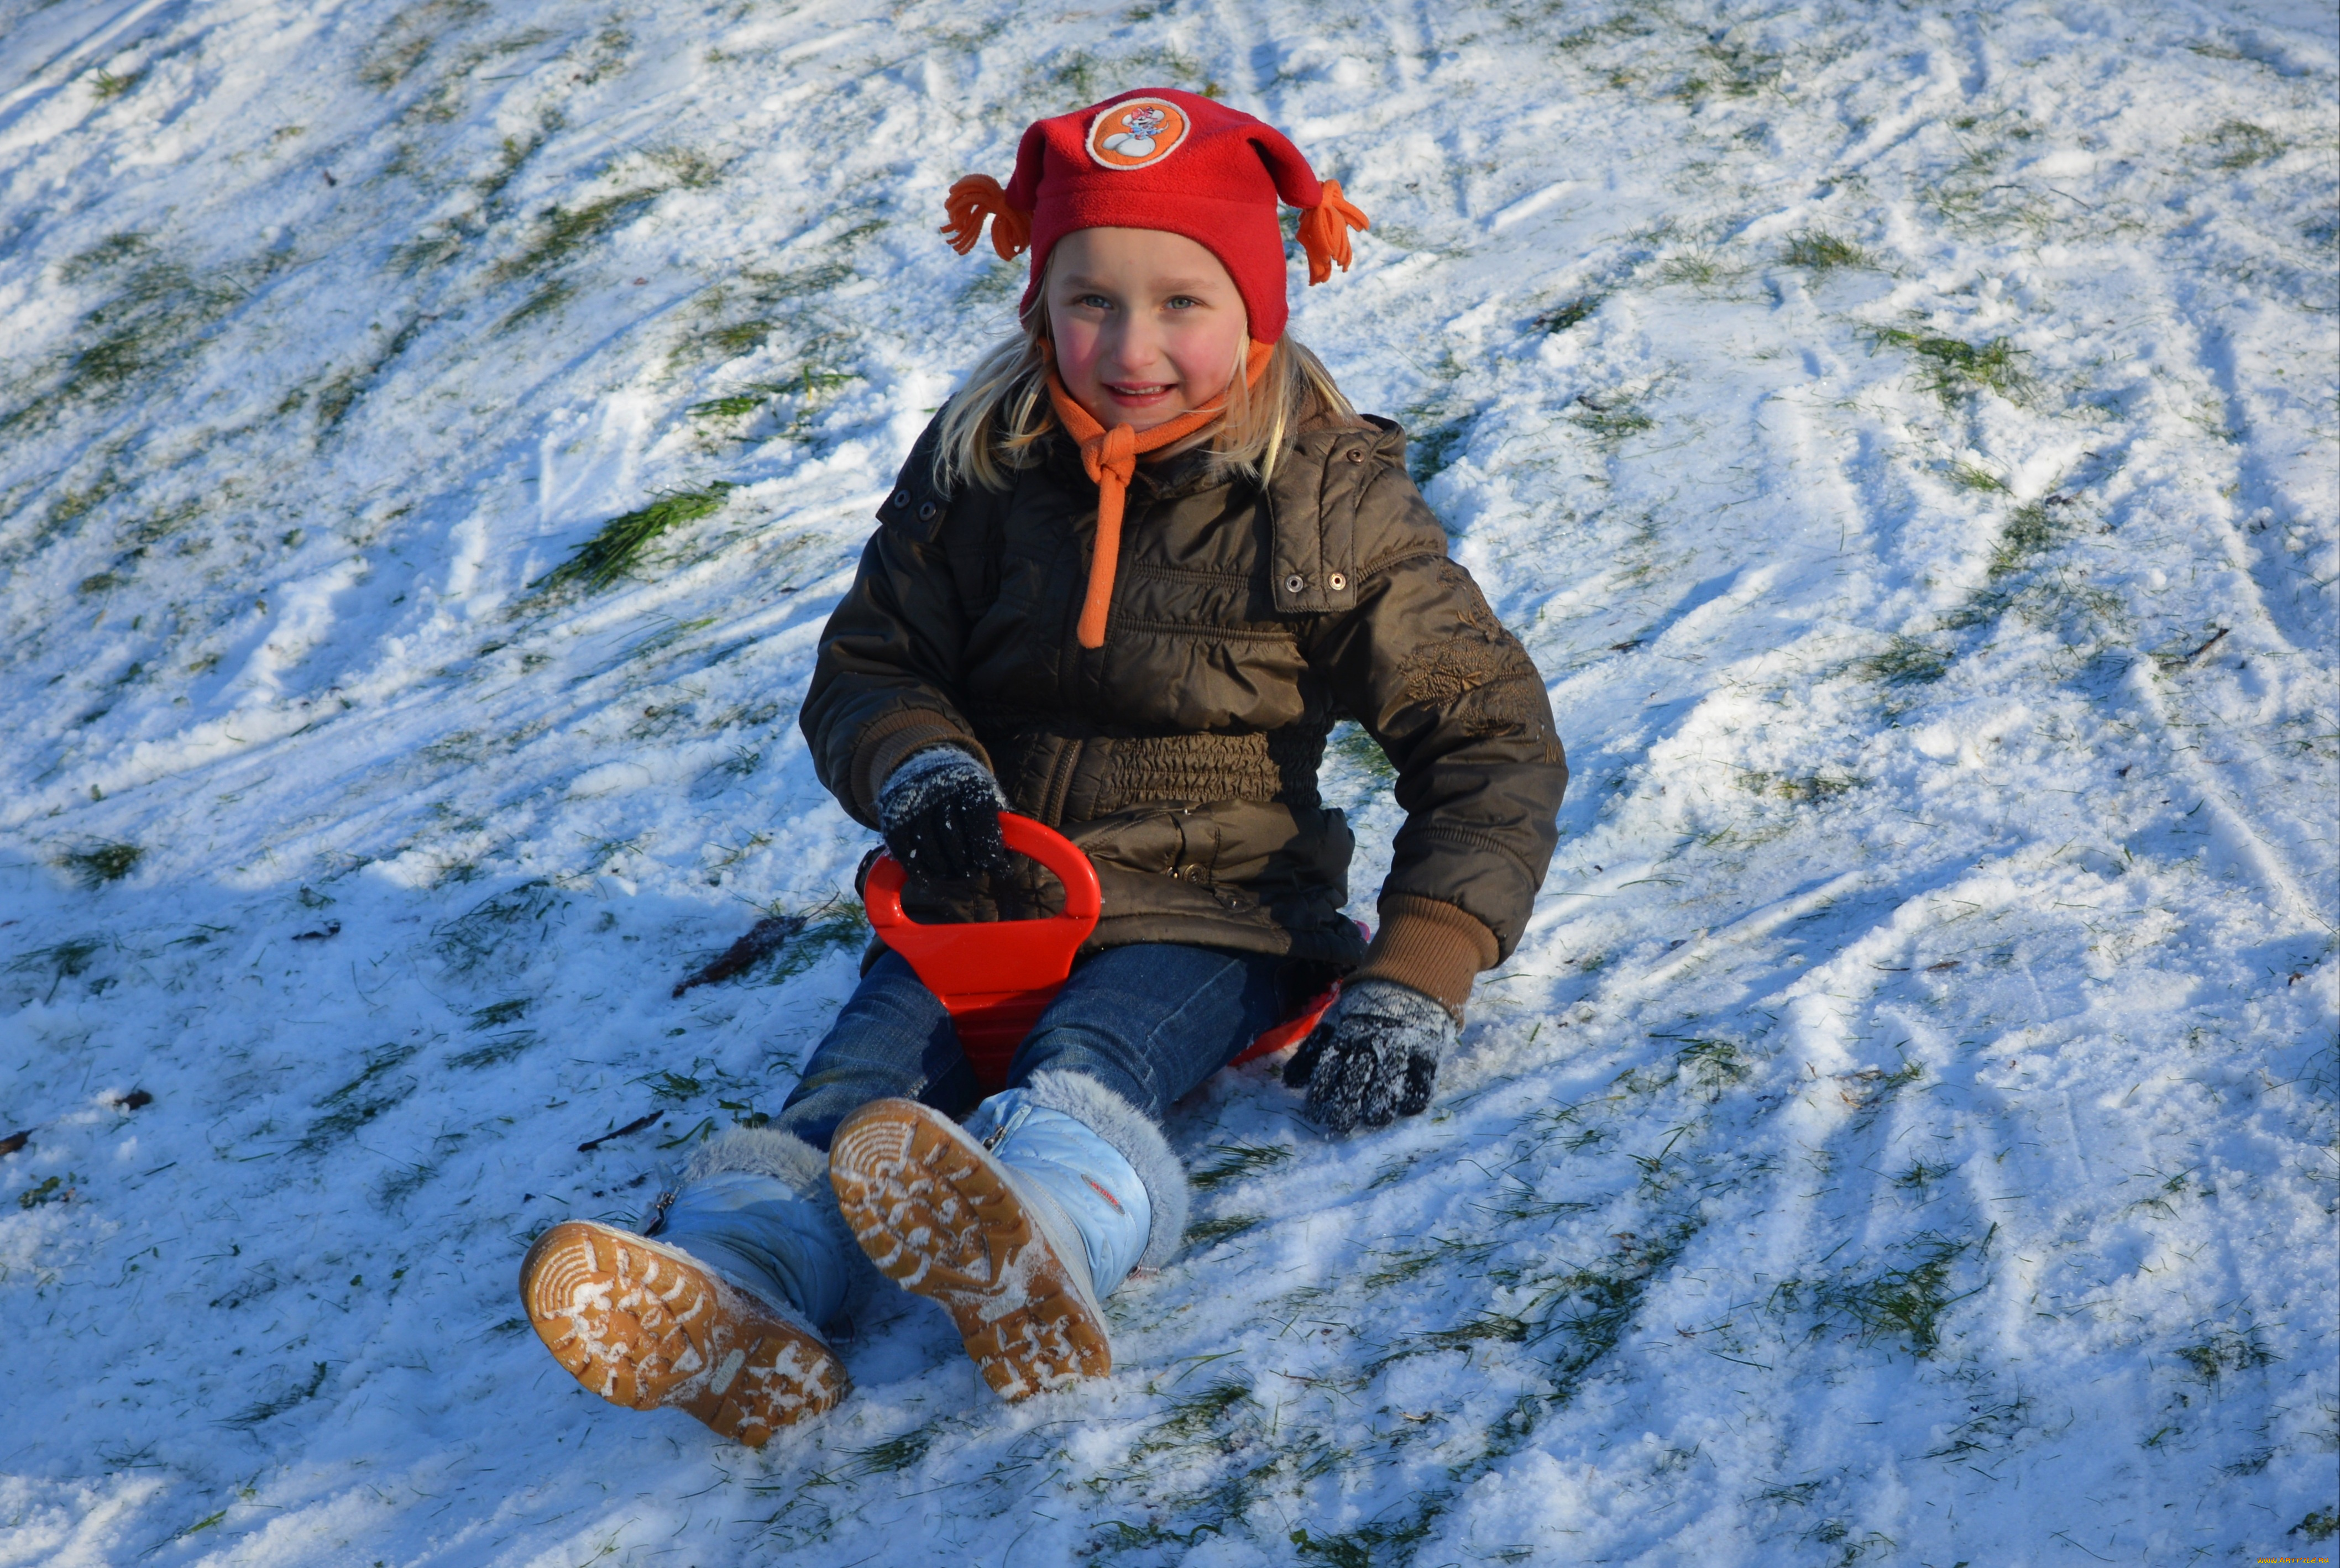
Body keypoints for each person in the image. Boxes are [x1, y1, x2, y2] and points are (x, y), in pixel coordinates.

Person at [517, 86, 1567, 1448]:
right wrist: (921, 774)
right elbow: (873, 665)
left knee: (1092, 1060)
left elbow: (1483, 730)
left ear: (1258, 302)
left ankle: (1045, 1243)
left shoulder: (1326, 500)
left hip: (1212, 909)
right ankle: (742, 1286)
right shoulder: (979, 468)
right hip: (978, 894)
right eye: (1092, 300)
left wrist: (1418, 970)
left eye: (1181, 302)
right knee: (852, 1101)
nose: (1132, 347)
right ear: (1038, 299)